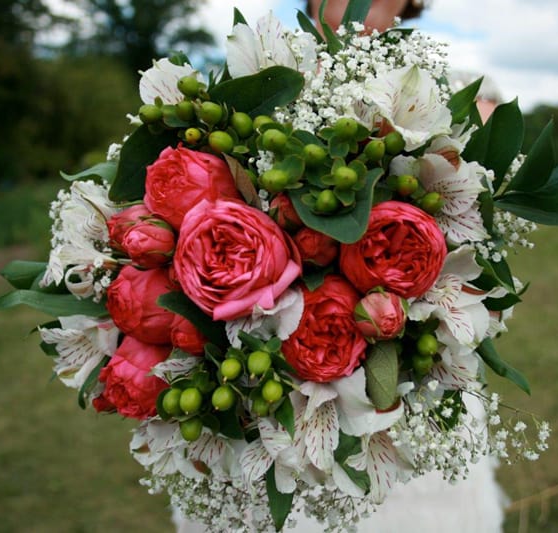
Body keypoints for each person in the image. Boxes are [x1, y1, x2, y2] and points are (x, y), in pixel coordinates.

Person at [173, 3, 507, 531]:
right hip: (267, 414)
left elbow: (484, 242)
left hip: (404, 411)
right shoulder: (255, 86)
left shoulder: (456, 96)